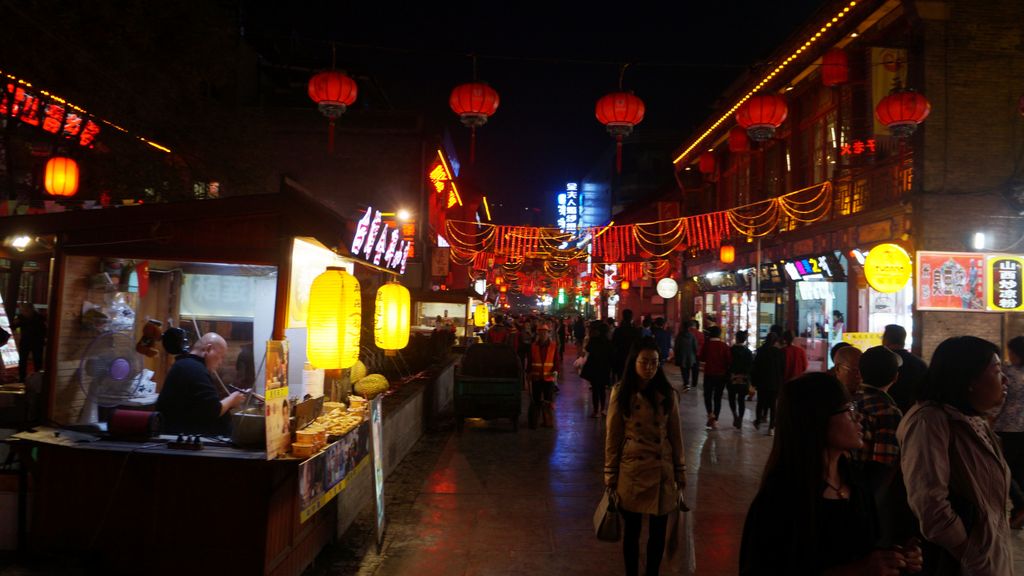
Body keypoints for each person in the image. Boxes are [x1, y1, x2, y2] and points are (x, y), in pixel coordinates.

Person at [739, 372, 923, 575]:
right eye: (849, 409)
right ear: (816, 419)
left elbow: (866, 549)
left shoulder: (855, 482)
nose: (859, 416)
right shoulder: (780, 498)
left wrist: (896, 557)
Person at [898, 336, 1012, 574]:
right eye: (997, 370)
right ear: (970, 379)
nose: (1005, 379)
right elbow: (929, 502)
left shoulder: (974, 420)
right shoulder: (929, 421)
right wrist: (970, 553)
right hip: (960, 563)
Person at [605, 337, 686, 576]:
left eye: (654, 362)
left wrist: (680, 469)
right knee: (632, 531)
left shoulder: (667, 393)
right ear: (633, 362)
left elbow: (675, 434)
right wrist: (610, 472)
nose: (649, 367)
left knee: (658, 532)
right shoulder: (621, 393)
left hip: (662, 470)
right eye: (644, 362)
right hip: (632, 469)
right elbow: (613, 436)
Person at [851, 345, 913, 547]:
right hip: (871, 492)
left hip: (851, 478)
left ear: (860, 373)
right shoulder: (888, 410)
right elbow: (883, 461)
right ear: (895, 377)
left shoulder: (851, 400)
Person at [156, 332, 247, 435]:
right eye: (221, 356)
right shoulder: (194, 369)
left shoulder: (186, 365)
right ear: (208, 349)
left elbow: (201, 406)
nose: (220, 362)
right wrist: (232, 400)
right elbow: (213, 410)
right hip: (186, 440)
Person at [994, 335, 1024, 529]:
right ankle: (1018, 511)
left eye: (1011, 352)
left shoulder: (1008, 373)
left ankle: (1020, 504)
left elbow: (999, 399)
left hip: (1008, 428)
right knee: (1021, 469)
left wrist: (989, 418)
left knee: (1003, 467)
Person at [882, 324, 928, 414]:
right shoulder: (919, 363)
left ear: (885, 339)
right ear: (903, 340)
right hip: (912, 414)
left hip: (884, 413)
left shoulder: (880, 361)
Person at [526, 322, 559, 428]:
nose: (543, 335)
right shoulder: (533, 347)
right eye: (541, 333)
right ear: (538, 334)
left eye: (544, 333)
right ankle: (534, 422)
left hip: (549, 377)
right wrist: (528, 372)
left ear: (548, 333)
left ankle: (547, 421)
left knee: (548, 401)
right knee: (535, 400)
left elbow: (556, 360)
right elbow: (530, 361)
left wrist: (555, 370)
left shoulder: (553, 346)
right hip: (536, 377)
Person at [751, 332, 785, 435]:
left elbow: (755, 368)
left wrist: (754, 382)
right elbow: (782, 369)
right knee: (773, 405)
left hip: (762, 382)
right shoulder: (779, 353)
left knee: (760, 402)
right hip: (775, 382)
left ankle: (757, 421)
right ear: (775, 341)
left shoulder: (761, 351)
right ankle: (771, 427)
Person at [699, 325, 731, 430]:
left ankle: (710, 414)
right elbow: (729, 361)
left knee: (707, 395)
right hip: (721, 376)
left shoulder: (706, 345)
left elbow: (701, 358)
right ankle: (715, 420)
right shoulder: (724, 346)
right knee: (718, 397)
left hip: (709, 374)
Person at [583, 322, 613, 417]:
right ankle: (603, 410)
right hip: (605, 368)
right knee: (602, 389)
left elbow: (587, 349)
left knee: (595, 390)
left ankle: (596, 411)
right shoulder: (609, 342)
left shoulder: (594, 340)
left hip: (594, 367)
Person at [12, 302, 45, 383]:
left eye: (25, 311)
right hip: (25, 341)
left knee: (37, 361)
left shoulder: (39, 318)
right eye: (22, 311)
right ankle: (22, 378)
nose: (23, 312)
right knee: (22, 361)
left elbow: (44, 331)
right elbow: (13, 327)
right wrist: (14, 323)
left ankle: (38, 379)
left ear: (31, 310)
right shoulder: (21, 317)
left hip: (37, 342)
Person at [727, 330, 754, 429]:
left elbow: (727, 364)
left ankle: (735, 415)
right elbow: (751, 367)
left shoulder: (730, 350)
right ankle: (741, 419)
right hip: (744, 379)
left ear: (736, 338)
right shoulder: (748, 352)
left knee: (732, 398)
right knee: (741, 400)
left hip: (732, 378)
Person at [611, 309, 640, 383]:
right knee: (631, 379)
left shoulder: (618, 331)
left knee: (620, 379)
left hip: (620, 357)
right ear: (631, 317)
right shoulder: (635, 331)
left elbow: (613, 344)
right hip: (632, 357)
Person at [673, 322, 698, 391]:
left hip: (682, 355)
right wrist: (694, 354)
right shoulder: (692, 336)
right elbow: (695, 347)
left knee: (683, 369)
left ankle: (686, 383)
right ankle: (687, 383)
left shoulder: (679, 336)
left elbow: (676, 347)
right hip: (691, 356)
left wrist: (676, 354)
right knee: (688, 369)